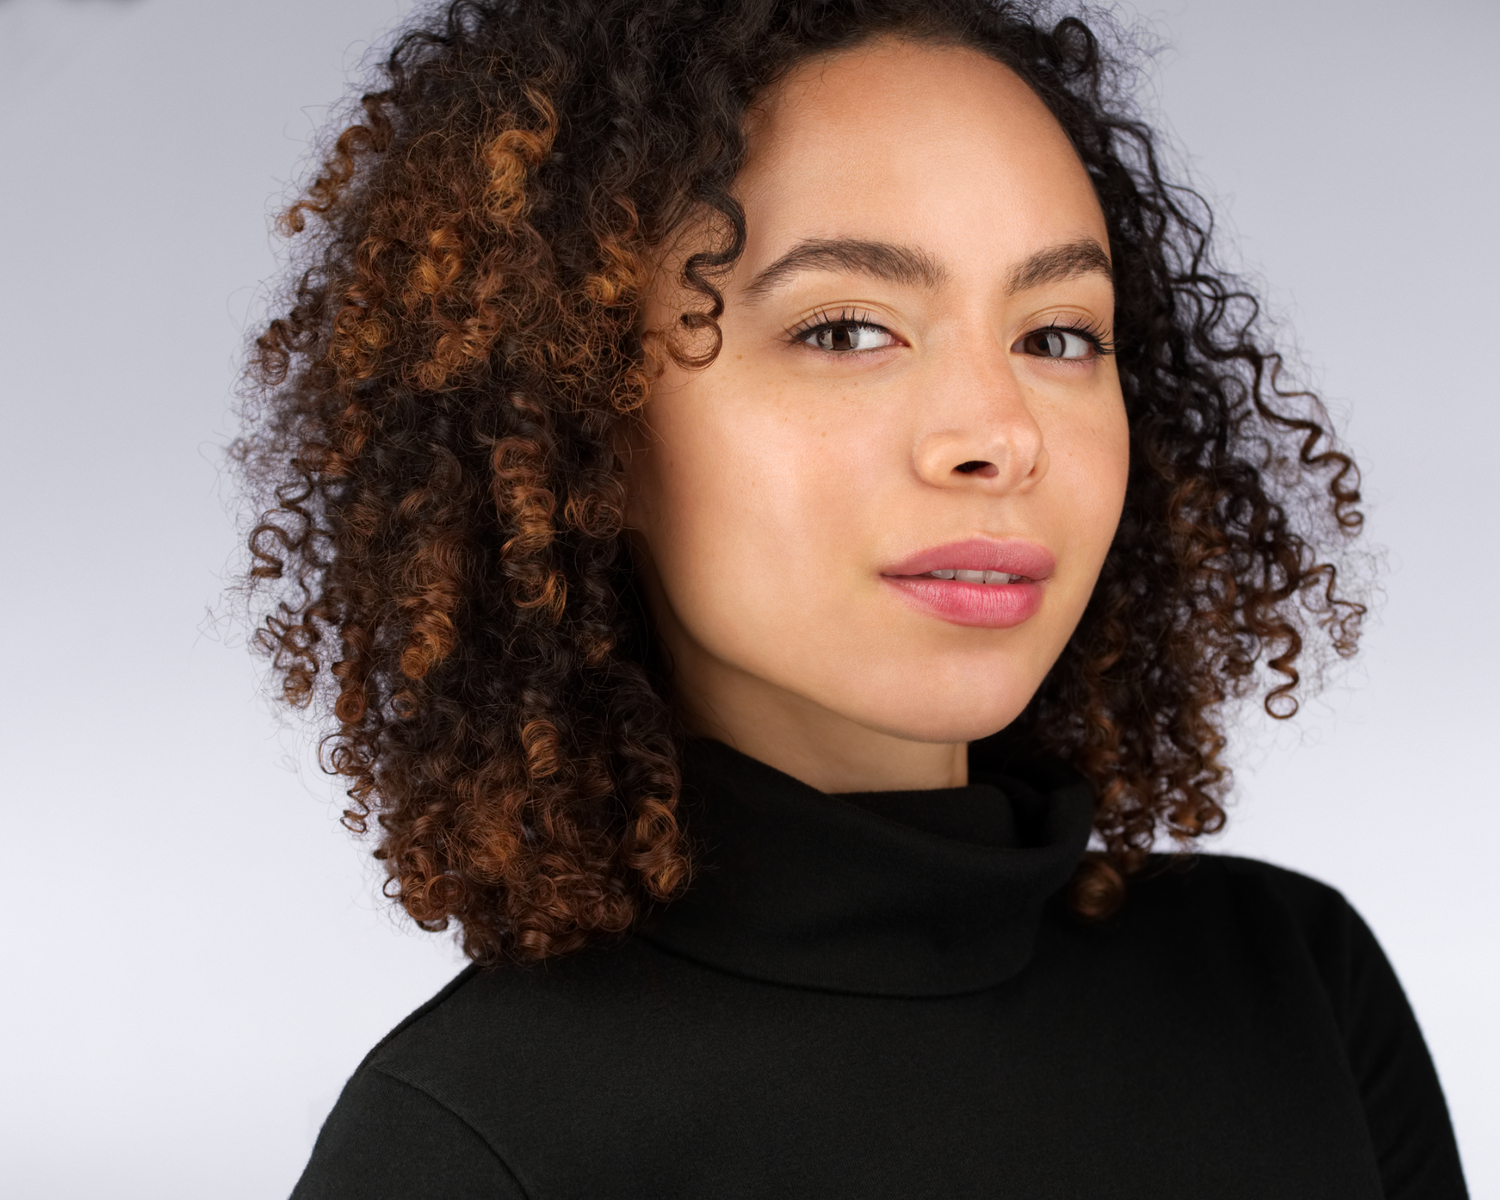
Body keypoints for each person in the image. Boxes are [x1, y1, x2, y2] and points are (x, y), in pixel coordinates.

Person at [234, 0, 1467, 1195]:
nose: (1000, 436)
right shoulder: (476, 1145)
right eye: (843, 331)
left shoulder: (1296, 986)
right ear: (577, 425)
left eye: (1057, 336)